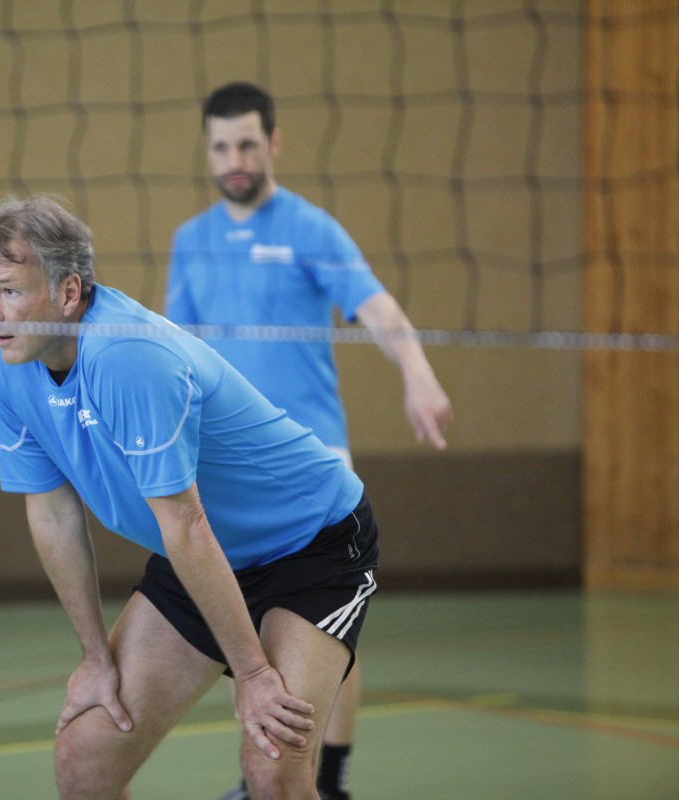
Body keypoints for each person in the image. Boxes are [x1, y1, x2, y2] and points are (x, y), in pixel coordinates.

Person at [0, 194, 379, 800]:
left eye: (8, 291)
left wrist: (254, 673)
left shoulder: (128, 356)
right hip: (204, 555)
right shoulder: (0, 359)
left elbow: (185, 523)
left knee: (273, 762)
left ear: (68, 292)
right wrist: (95, 657)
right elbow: (52, 512)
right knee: (85, 760)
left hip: (309, 546)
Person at [166, 82, 453, 800]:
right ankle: (265, 772)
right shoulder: (190, 241)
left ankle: (331, 778)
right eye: (221, 146)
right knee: (251, 636)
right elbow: (178, 354)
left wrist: (416, 371)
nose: (234, 159)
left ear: (273, 143)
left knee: (328, 635)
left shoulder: (310, 228)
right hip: (233, 472)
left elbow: (378, 309)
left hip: (314, 464)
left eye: (247, 144)